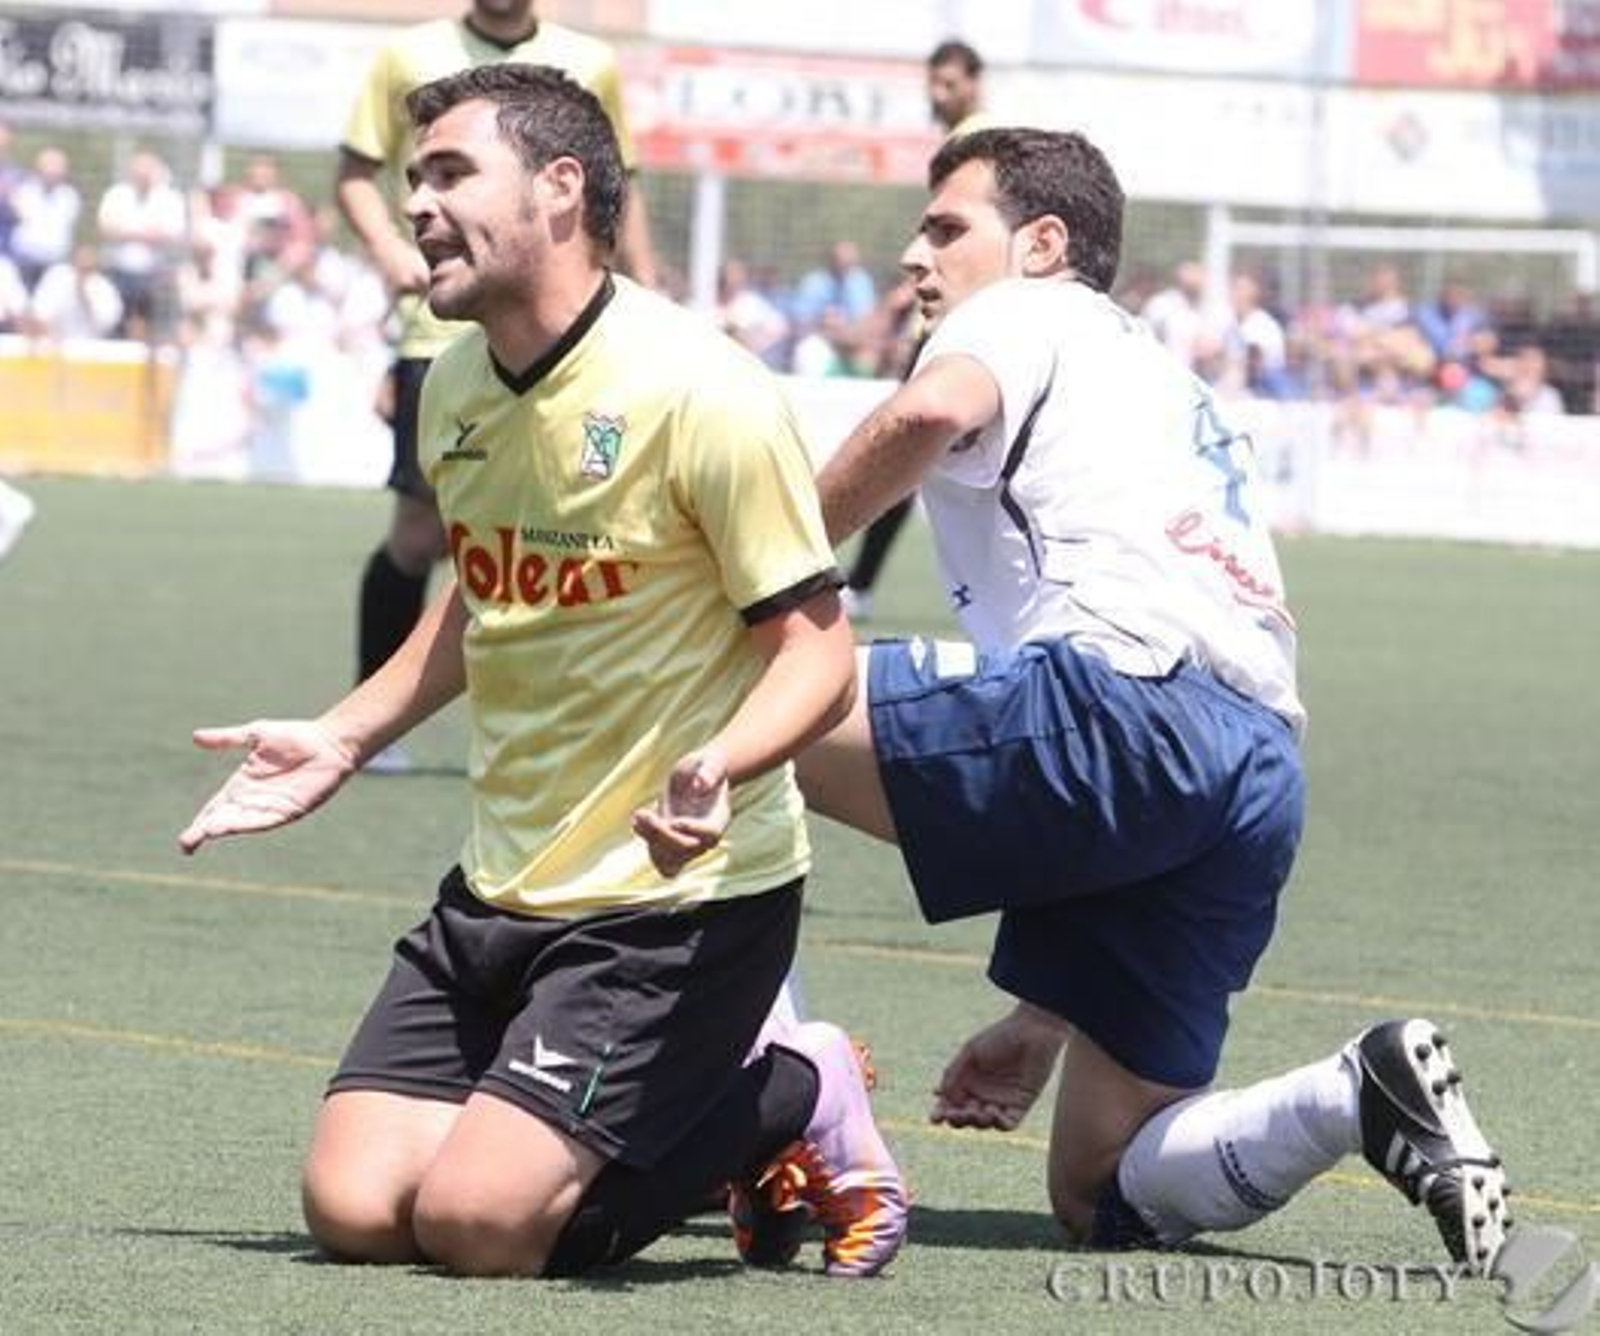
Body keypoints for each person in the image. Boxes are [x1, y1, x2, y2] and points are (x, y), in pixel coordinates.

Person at [717, 126, 1513, 1277]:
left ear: (1041, 243)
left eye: (945, 227)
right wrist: (1045, 1012)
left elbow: (924, 414)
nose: (913, 255)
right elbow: (1125, 760)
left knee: (711, 708)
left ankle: (768, 1100)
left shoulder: (1019, 311)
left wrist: (745, 570)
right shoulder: (1155, 370)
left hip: (1121, 703)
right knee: (1102, 1188)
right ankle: (1359, 1092)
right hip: (1249, 771)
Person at [176, 63, 905, 1281]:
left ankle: (795, 1086)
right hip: (498, 894)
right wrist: (347, 734)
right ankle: (566, 1121)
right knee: (354, 1208)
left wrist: (723, 762)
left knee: (482, 1228)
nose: (417, 205)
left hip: (676, 911)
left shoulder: (700, 387)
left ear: (561, 187)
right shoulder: (455, 385)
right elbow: (482, 587)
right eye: (414, 180)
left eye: (452, 173)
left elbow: (817, 651)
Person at [338, 0, 659, 775]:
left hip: (583, 345)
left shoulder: (593, 63)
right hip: (441, 342)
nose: (425, 197)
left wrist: (651, 294)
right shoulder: (406, 55)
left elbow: (621, 191)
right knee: (427, 536)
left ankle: (597, 727)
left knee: (589, 530)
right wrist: (388, 250)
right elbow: (355, 174)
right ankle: (374, 718)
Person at [839, 39, 993, 623]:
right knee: (913, 455)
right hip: (962, 321)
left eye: (949, 82)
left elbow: (961, 238)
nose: (938, 93)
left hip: (965, 323)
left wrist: (916, 306)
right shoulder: (971, 137)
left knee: (902, 447)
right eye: (933, 82)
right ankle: (862, 582)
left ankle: (853, 580)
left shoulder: (976, 140)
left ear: (975, 82)